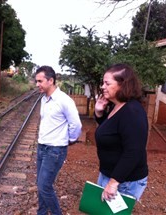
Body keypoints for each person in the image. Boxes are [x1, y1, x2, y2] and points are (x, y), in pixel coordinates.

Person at [94, 63, 148, 202]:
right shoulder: (117, 106)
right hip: (109, 174)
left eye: (107, 83)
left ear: (122, 85)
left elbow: (133, 151)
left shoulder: (132, 112)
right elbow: (112, 133)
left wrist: (113, 182)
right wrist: (99, 114)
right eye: (103, 83)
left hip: (125, 181)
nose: (102, 87)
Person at [35, 65, 82, 215]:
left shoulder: (64, 100)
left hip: (55, 150)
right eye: (36, 81)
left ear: (50, 80)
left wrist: (70, 139)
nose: (37, 84)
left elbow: (76, 124)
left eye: (40, 81)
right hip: (42, 147)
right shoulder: (44, 99)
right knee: (40, 184)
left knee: (44, 186)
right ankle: (41, 212)